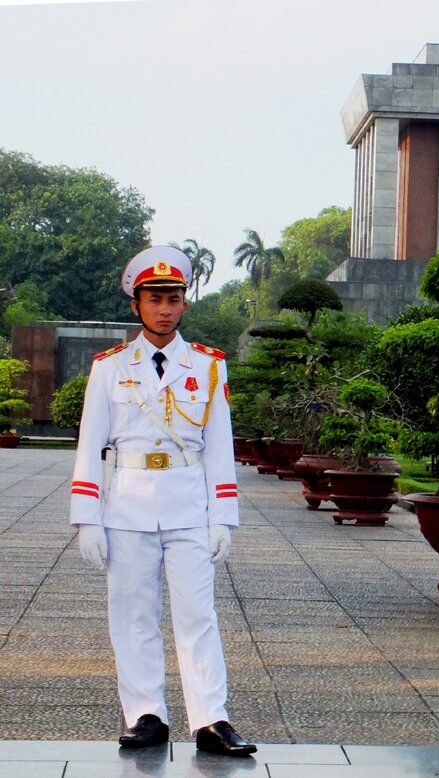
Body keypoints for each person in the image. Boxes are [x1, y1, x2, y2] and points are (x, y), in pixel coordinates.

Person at [68, 245, 256, 757]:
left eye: (174, 298)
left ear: (184, 304)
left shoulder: (209, 367)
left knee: (198, 614)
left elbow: (220, 449)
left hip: (189, 507)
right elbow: (90, 444)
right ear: (137, 305)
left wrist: (224, 518)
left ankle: (211, 719)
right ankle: (145, 714)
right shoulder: (110, 368)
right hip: (126, 507)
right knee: (132, 614)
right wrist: (87, 517)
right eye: (154, 298)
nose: (165, 308)